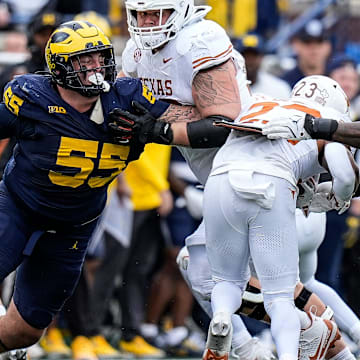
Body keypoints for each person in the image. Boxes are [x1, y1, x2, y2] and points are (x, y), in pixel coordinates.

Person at [109, 1, 348, 360]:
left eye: (156, 13)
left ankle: (263, 343)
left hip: (255, 178)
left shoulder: (200, 40)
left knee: (241, 282)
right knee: (261, 283)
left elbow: (221, 123)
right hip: (237, 180)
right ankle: (300, 338)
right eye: (141, 13)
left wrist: (158, 128)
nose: (146, 22)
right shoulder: (136, 51)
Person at [0, 19, 208, 357]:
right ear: (61, 65)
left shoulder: (128, 100)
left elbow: (204, 120)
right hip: (18, 208)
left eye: (101, 57)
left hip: (72, 226)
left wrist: (156, 128)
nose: (97, 67)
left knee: (24, 332)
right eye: (86, 60)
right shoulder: (34, 99)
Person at [201, 75, 357, 360]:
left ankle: (222, 316)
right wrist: (341, 196)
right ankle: (288, 355)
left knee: (225, 281)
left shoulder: (261, 100)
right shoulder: (328, 117)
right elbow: (344, 172)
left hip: (220, 178)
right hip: (271, 184)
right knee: (280, 297)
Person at [233, 33, 291, 99]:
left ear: (262, 57)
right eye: (245, 56)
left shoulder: (279, 89)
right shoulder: (226, 89)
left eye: (254, 56)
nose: (249, 61)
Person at [281, 19, 332, 88]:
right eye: (307, 42)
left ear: (328, 46)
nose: (314, 48)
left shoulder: (336, 81)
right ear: (296, 45)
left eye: (319, 42)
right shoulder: (284, 84)